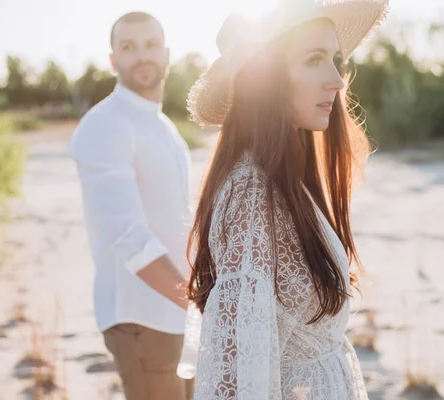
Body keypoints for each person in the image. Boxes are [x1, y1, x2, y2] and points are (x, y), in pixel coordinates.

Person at [180, 0, 389, 398]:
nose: (338, 80)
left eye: (335, 59)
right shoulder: (251, 197)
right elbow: (237, 375)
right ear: (266, 80)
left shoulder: (285, 179)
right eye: (313, 59)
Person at [70, 11, 194, 400]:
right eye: (129, 47)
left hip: (180, 315)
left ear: (167, 53)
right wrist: (192, 299)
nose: (143, 56)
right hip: (142, 318)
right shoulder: (105, 124)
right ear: (113, 60)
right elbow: (128, 237)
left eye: (151, 45)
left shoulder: (164, 127)